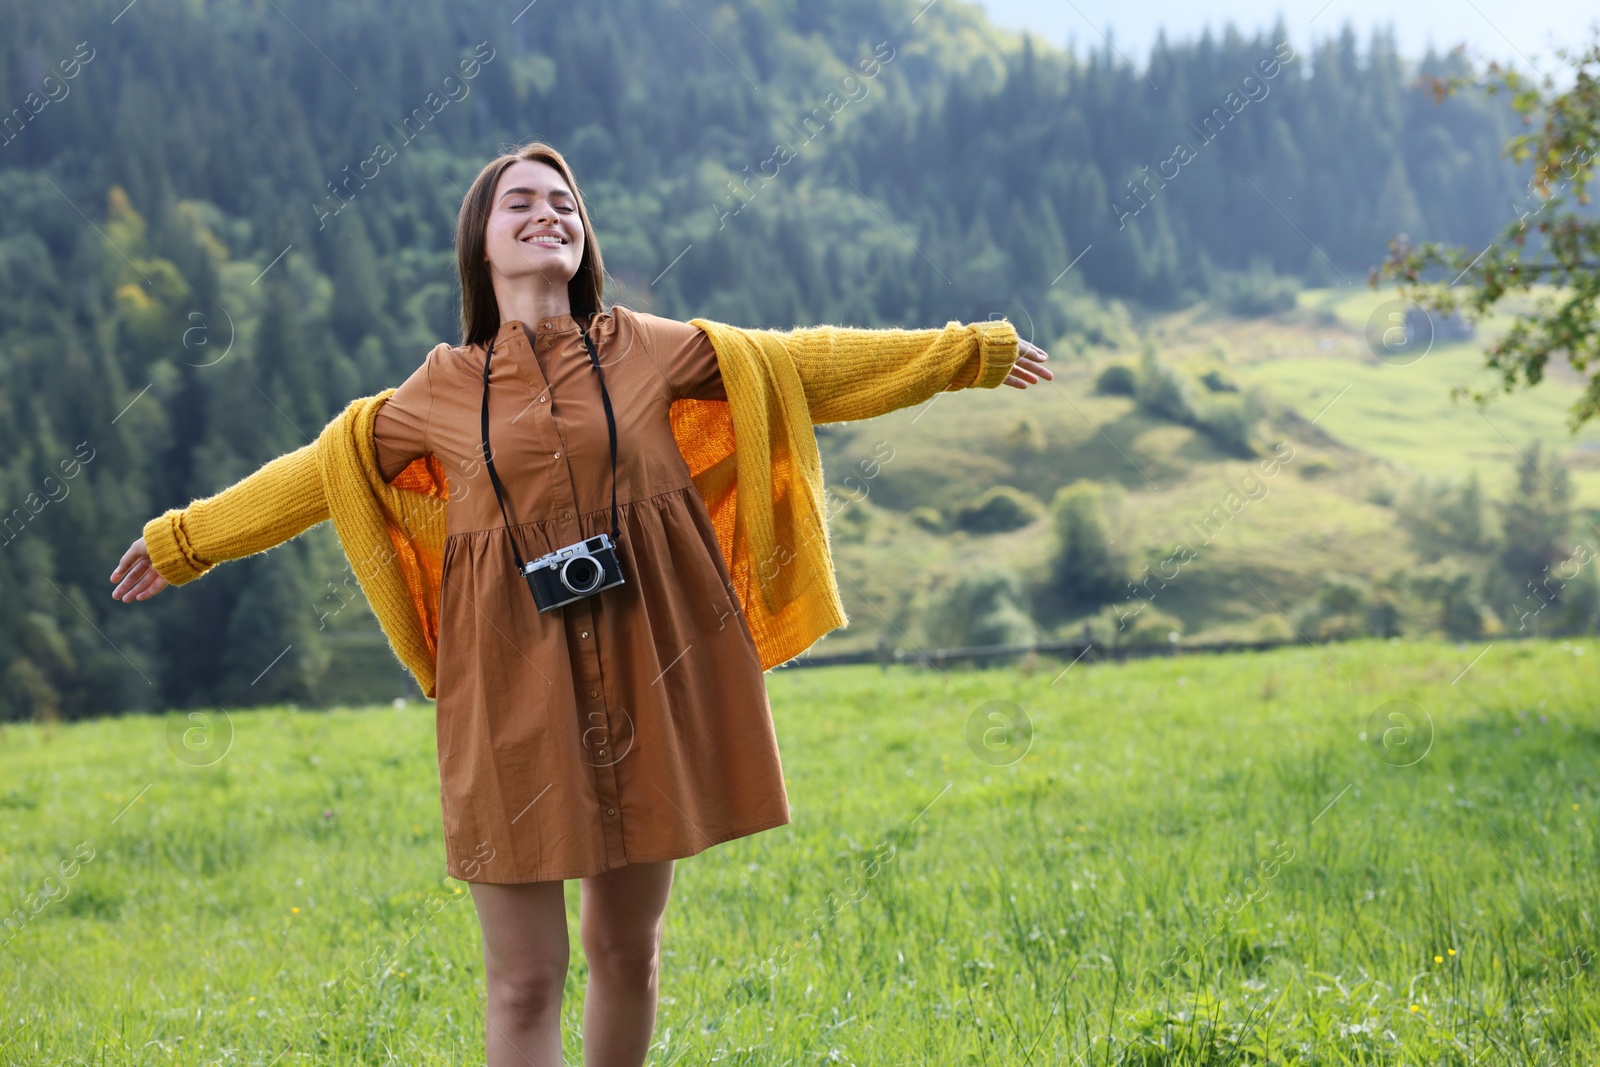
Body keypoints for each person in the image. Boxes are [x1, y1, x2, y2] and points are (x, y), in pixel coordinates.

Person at [109, 141, 1052, 1066]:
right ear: (482, 241)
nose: (546, 214)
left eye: (563, 203)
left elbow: (800, 366)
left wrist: (964, 352)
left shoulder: (647, 349)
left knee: (626, 952)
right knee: (524, 978)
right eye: (519, 202)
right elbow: (322, 475)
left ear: (584, 238)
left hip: (650, 674)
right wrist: (184, 541)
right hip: (507, 697)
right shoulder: (439, 390)